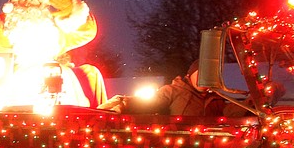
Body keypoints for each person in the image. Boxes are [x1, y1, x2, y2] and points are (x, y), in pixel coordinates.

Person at [101, 60, 253, 117]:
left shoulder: (216, 99)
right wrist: (126, 104)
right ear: (190, 74)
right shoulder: (173, 91)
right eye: (199, 74)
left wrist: (251, 102)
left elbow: (231, 112)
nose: (203, 80)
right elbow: (152, 102)